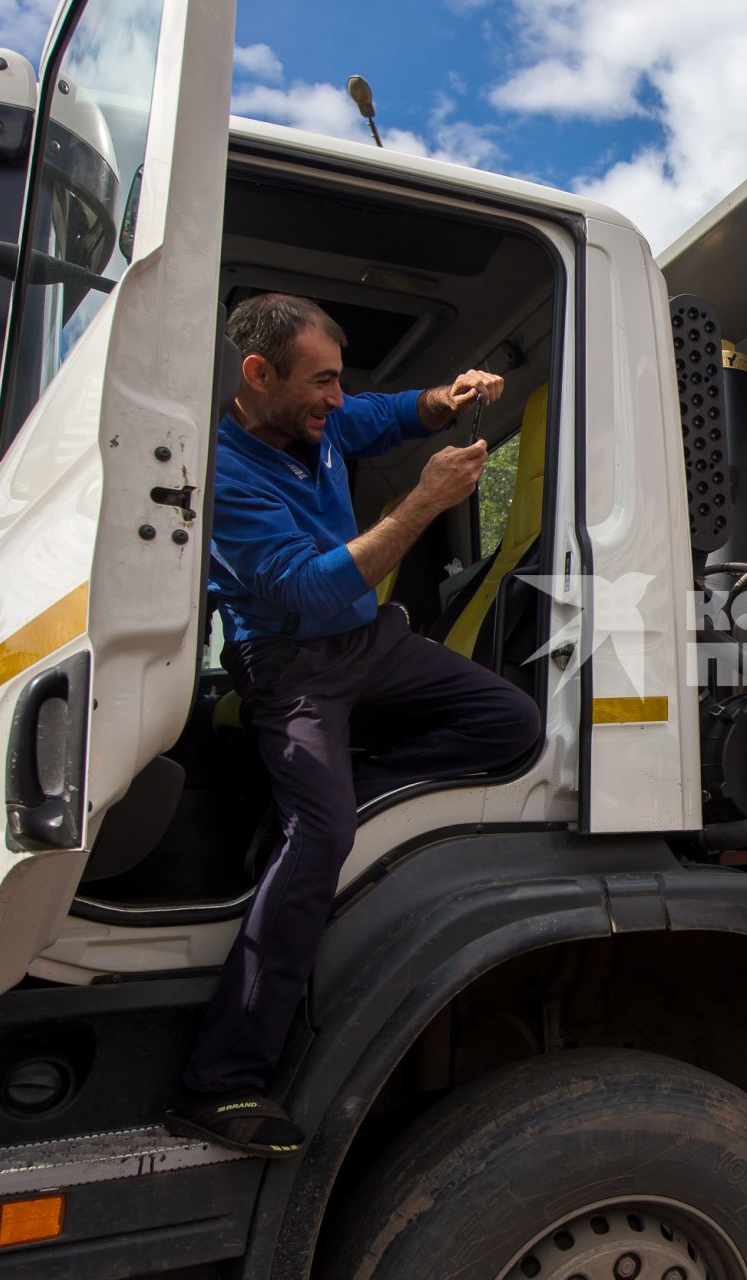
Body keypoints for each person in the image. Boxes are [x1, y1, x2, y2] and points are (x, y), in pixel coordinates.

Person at [167, 294, 542, 1155]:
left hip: (368, 644)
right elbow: (308, 590)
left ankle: (340, 791)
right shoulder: (219, 470)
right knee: (318, 838)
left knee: (510, 723)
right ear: (258, 376)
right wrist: (422, 504)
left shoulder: (324, 421)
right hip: (292, 664)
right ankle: (219, 1084)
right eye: (321, 381)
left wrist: (448, 396)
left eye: (338, 381)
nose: (336, 399)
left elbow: (383, 413)